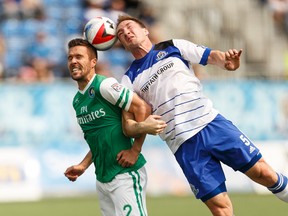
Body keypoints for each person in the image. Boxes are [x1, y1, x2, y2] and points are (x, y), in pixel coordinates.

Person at [115, 15, 288, 216]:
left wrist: (226, 61)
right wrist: (139, 139)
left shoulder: (172, 46)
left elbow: (211, 56)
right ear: (123, 46)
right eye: (120, 34)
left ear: (145, 30)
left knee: (263, 173)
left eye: (129, 27)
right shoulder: (128, 78)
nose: (126, 32)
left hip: (210, 123)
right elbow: (129, 122)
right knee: (220, 208)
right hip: (183, 143)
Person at [64, 38, 166, 216]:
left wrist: (135, 150)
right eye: (70, 57)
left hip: (124, 174)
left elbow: (142, 107)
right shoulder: (77, 100)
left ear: (93, 62)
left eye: (79, 56)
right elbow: (100, 138)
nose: (73, 61)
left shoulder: (104, 85)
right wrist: (83, 165)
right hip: (103, 179)